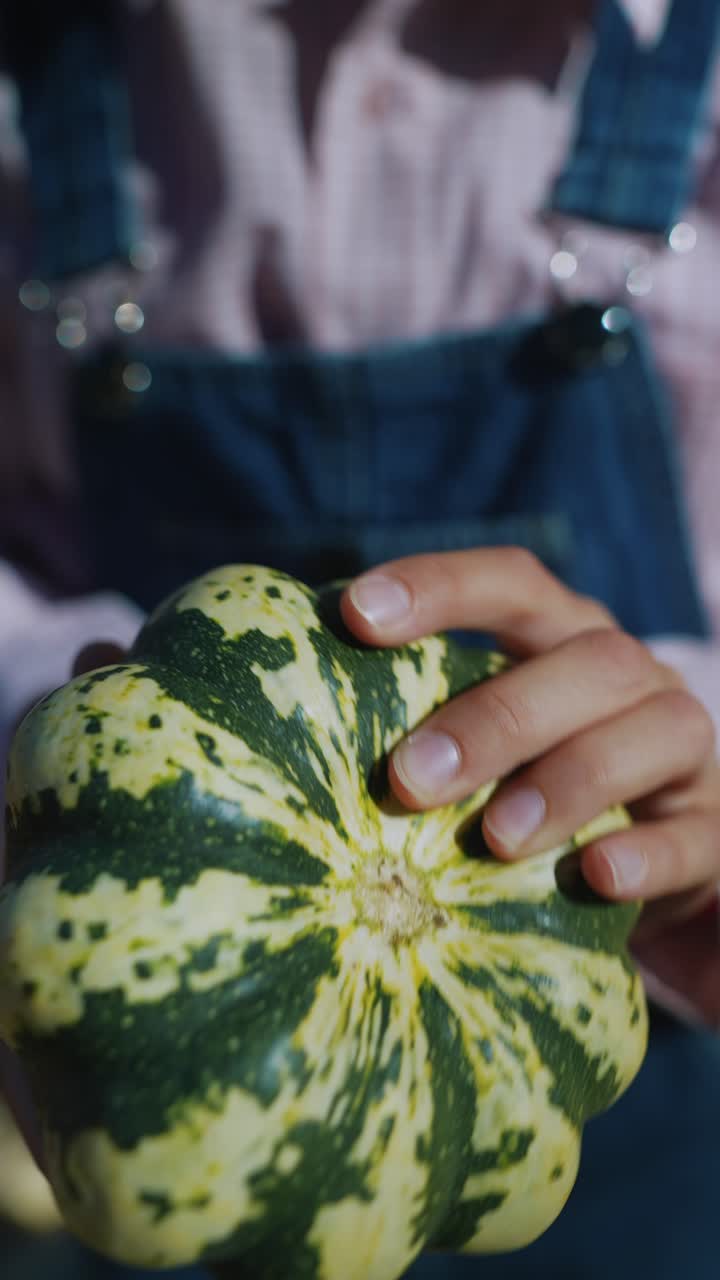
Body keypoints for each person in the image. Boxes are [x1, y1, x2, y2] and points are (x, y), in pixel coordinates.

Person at [0, 1, 719, 1278]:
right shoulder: (34, 70)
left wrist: (698, 746)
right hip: (151, 1094)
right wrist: (75, 747)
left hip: (632, 1080)